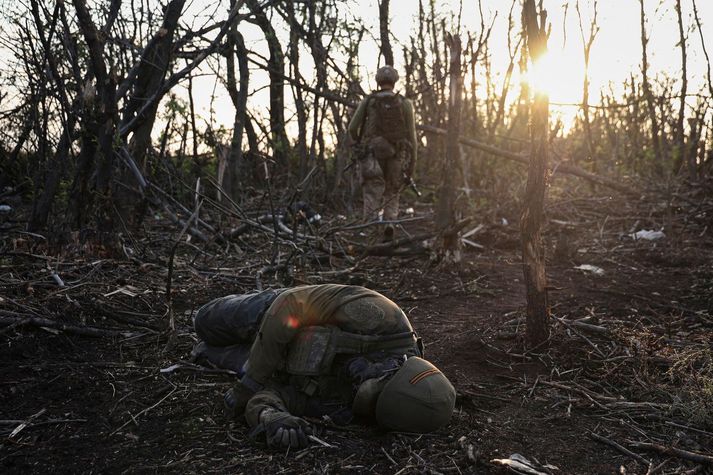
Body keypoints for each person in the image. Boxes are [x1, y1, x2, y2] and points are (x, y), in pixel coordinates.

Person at [192, 284, 456, 450]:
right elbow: (293, 304)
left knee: (204, 352)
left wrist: (271, 418)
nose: (358, 381)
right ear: (396, 364)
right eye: (377, 378)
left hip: (274, 364)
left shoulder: (347, 408)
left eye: (368, 400)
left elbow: (274, 396)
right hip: (275, 315)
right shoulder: (383, 319)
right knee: (203, 321)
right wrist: (250, 382)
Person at [348, 66, 418, 241]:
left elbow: (352, 128)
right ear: (394, 82)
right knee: (393, 192)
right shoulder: (405, 103)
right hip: (396, 154)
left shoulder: (369, 101)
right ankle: (389, 225)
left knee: (372, 192)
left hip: (371, 154)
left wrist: (360, 143)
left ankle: (371, 234)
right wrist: (411, 166)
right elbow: (413, 139)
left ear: (378, 81)